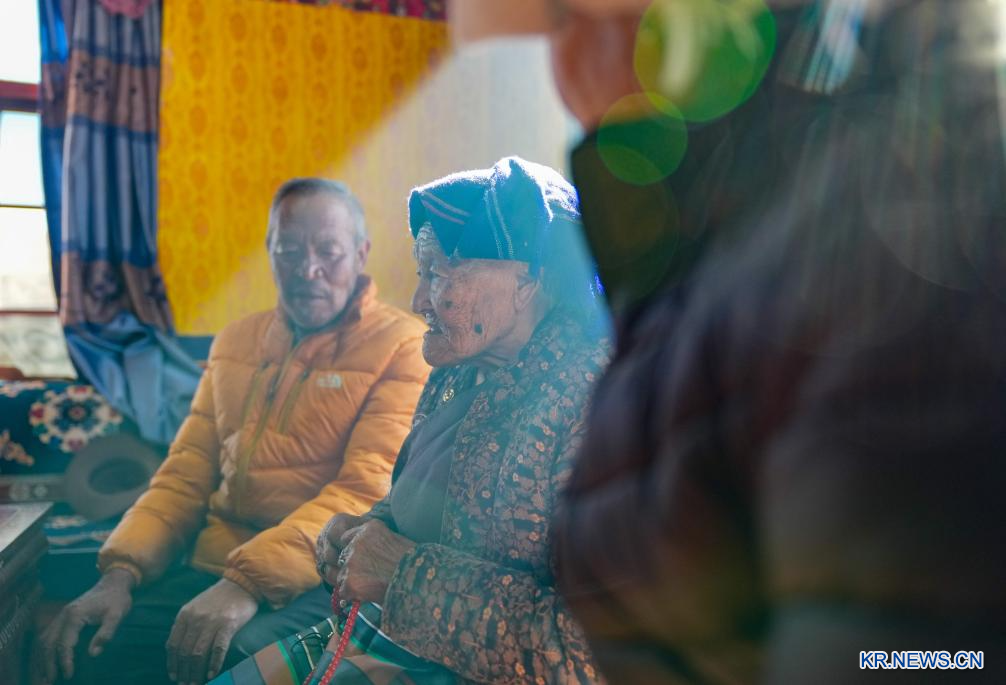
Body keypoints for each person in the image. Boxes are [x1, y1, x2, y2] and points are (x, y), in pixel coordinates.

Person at [455, 1, 1006, 683]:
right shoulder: (726, 229)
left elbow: (921, 655)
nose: (564, 67)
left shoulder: (904, 217)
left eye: (569, 17)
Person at [214, 156, 609, 685]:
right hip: (390, 639)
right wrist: (367, 531)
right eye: (423, 273)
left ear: (526, 280)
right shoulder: (458, 371)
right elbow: (421, 502)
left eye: (440, 274)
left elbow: (587, 652)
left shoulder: (600, 405)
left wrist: (402, 574)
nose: (419, 299)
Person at [36, 178, 431, 685]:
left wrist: (246, 584)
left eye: (328, 252)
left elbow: (361, 491)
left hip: (318, 577)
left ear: (360, 253)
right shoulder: (234, 343)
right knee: (90, 645)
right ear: (269, 251)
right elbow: (183, 476)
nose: (308, 270)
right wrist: (120, 573)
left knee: (234, 658)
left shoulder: (404, 347)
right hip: (211, 565)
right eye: (289, 250)